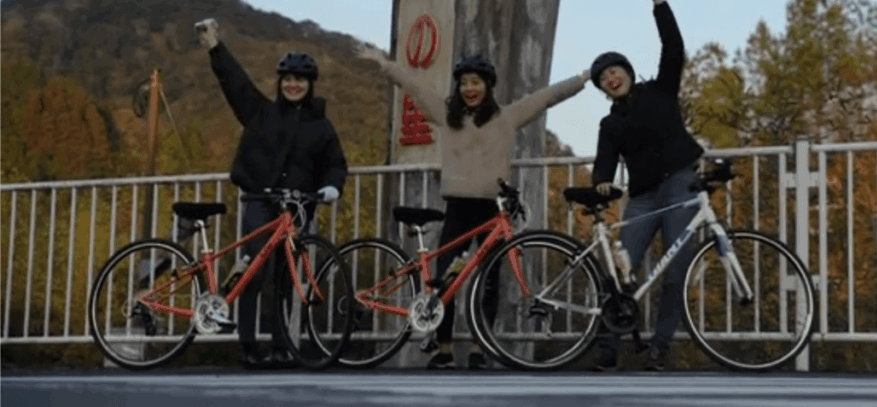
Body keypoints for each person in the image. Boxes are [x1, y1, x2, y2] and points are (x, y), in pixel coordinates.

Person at [358, 45, 590, 370]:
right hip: (458, 209)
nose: (470, 88)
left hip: (493, 211)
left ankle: (482, 348)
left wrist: (583, 78)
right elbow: (415, 87)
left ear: (488, 86)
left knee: (490, 280)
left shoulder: (506, 117)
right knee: (444, 281)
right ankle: (445, 348)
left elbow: (546, 97)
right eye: (465, 82)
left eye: (476, 82)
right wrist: (384, 65)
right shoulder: (446, 115)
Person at [194, 18, 348, 369]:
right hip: (260, 202)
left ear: (310, 85)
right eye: (288, 79)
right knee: (254, 271)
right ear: (281, 82)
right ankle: (248, 346)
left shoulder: (321, 126)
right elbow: (235, 83)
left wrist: (331, 188)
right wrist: (214, 47)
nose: (294, 85)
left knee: (286, 277)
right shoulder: (262, 112)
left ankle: (282, 347)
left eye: (301, 80)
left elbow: (336, 164)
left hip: (296, 207)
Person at [589, 0, 705, 372]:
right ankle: (608, 348)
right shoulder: (610, 123)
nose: (611, 78)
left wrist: (659, 4)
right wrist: (602, 183)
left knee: (678, 270)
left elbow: (674, 49)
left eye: (614, 70)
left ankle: (660, 348)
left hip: (681, 183)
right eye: (604, 77)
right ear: (603, 88)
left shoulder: (660, 90)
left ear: (627, 71)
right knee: (621, 269)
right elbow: (604, 164)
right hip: (641, 196)